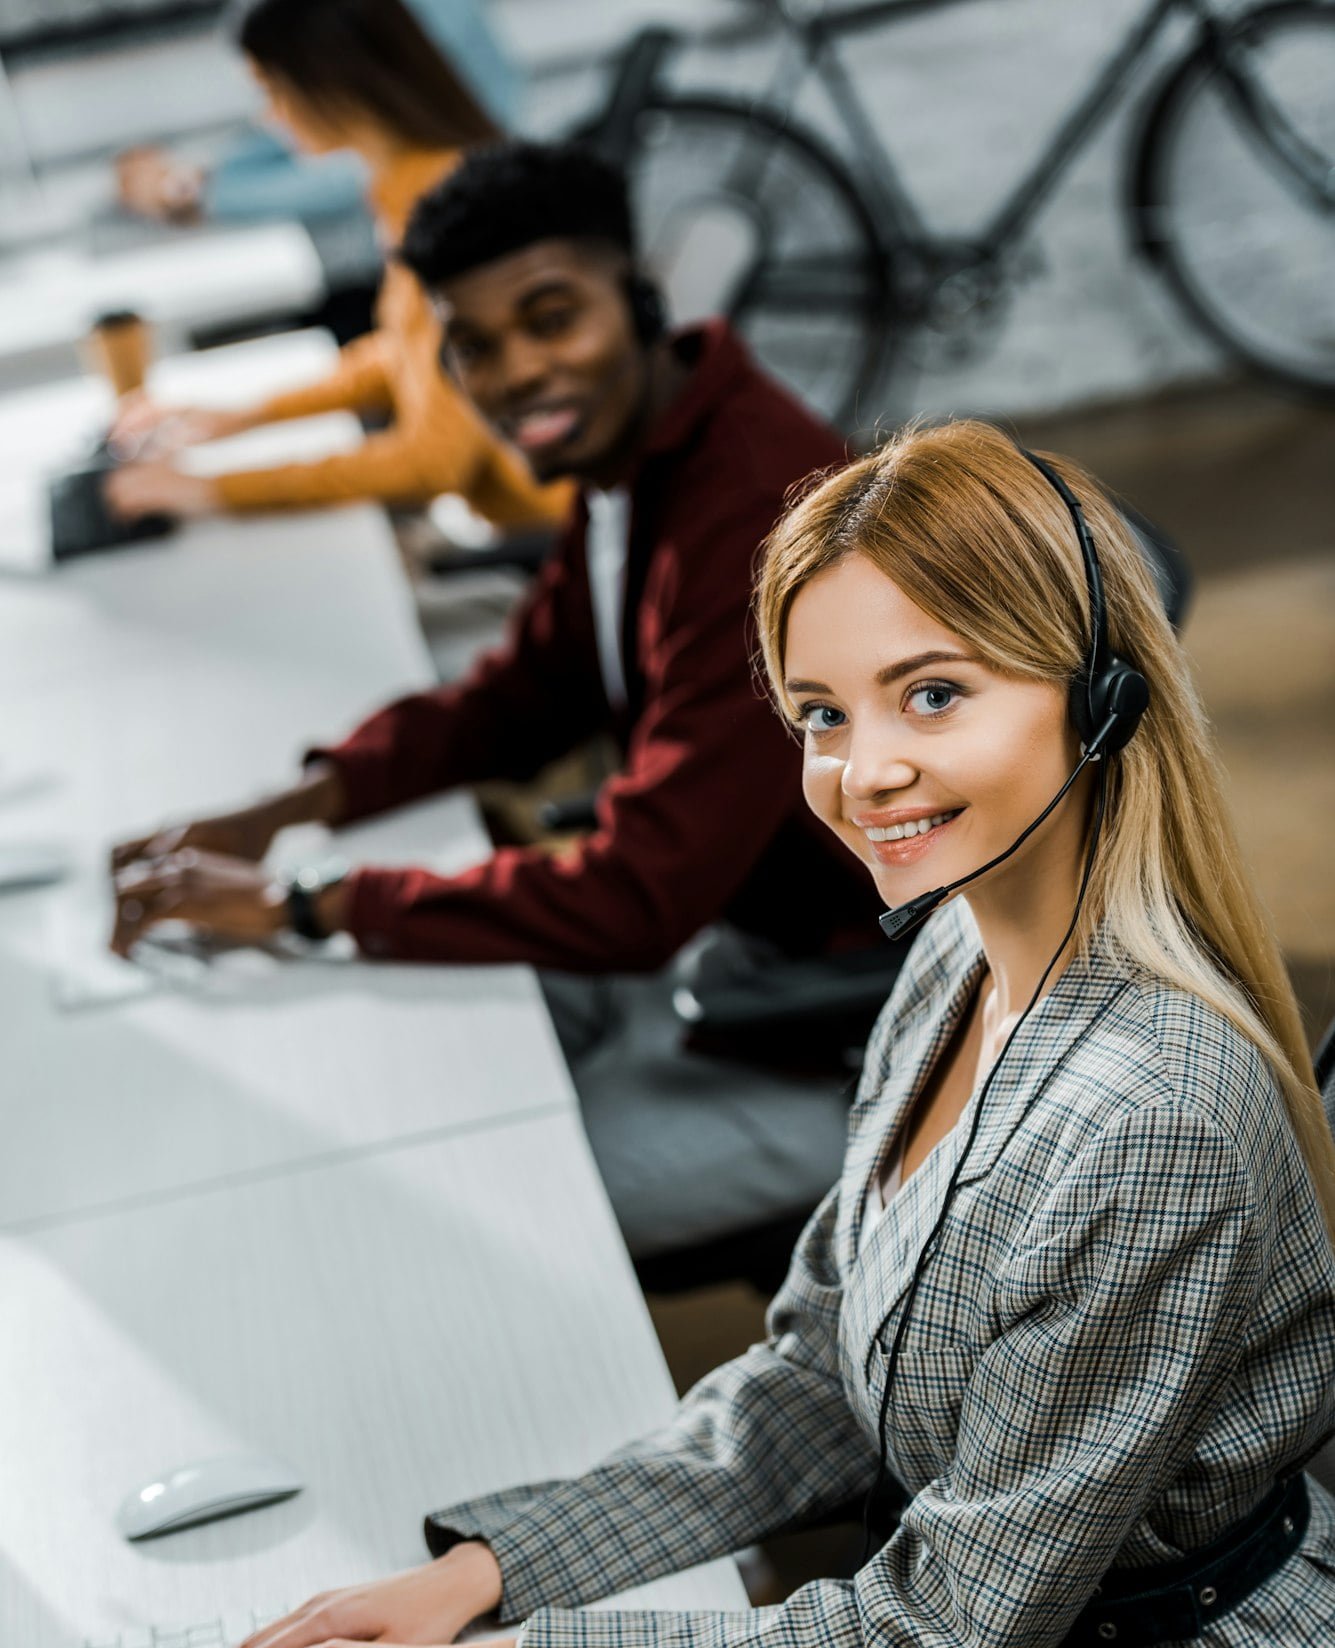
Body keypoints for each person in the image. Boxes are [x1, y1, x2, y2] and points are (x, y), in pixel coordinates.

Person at [167, 422, 1335, 1648]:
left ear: (1098, 695)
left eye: (932, 694)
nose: (863, 774)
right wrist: (483, 1575)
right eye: (819, 713)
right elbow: (810, 1373)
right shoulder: (948, 957)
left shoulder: (1147, 1123)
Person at [108, 141, 883, 1260]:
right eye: (475, 346)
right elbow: (520, 696)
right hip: (736, 950)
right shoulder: (640, 458)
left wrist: (308, 902)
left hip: (872, 1031)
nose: (516, 372)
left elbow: (636, 898)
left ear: (640, 296)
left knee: (476, 1215)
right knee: (405, 1059)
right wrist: (288, 808)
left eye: (552, 318)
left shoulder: (757, 514)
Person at [104, 0, 562, 533]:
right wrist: (244, 414)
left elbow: (434, 462)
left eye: (272, 91)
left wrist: (211, 490)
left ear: (332, 80)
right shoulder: (406, 183)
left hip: (546, 524)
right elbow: (406, 357)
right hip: (510, 511)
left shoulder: (444, 209)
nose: (269, 115)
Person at [113, 0, 518, 233]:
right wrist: (202, 178)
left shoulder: (432, 194)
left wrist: (208, 193)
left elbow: (345, 167)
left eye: (271, 92)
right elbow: (301, 123)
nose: (270, 115)